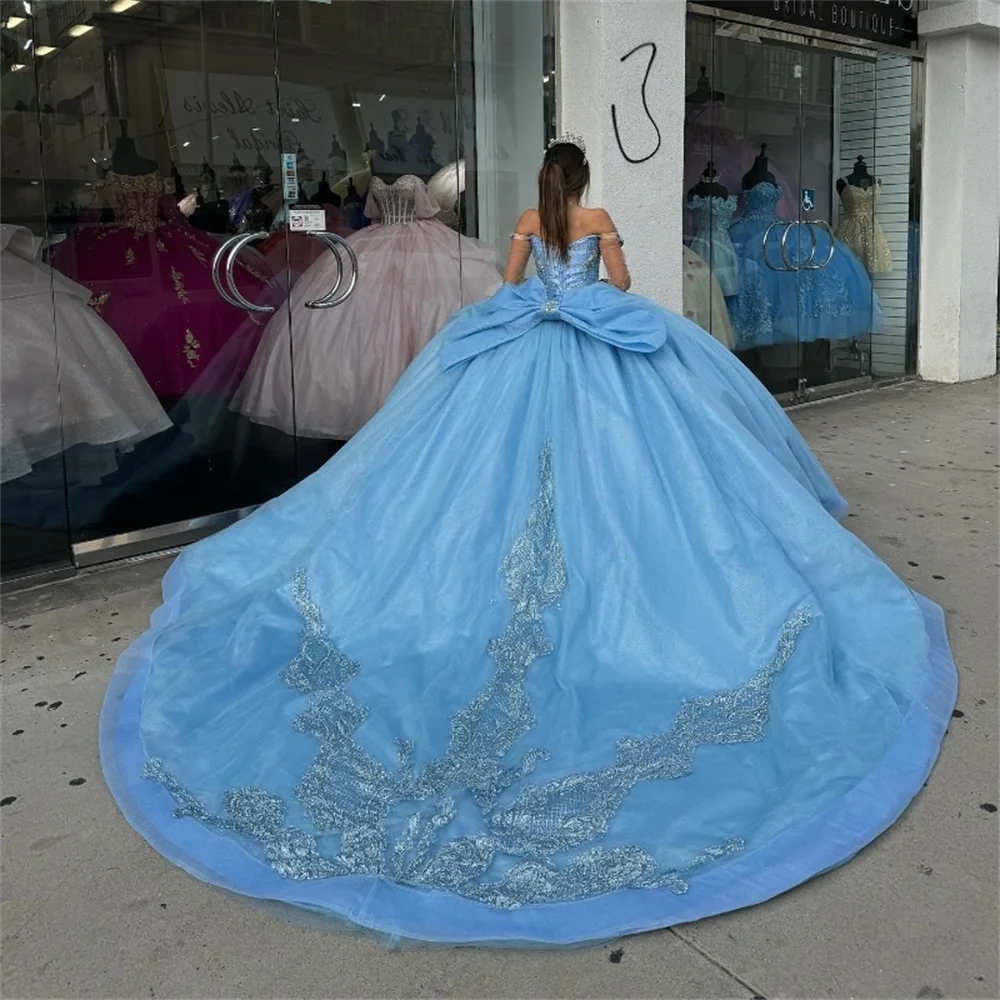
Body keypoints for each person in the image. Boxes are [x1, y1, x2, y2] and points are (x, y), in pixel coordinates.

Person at [100, 134, 956, 948]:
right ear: (582, 185)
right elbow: (621, 284)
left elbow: (507, 286)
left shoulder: (524, 223)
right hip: (595, 346)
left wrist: (542, 295)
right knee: (630, 477)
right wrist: (592, 284)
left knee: (468, 477)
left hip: (523, 344)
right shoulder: (597, 222)